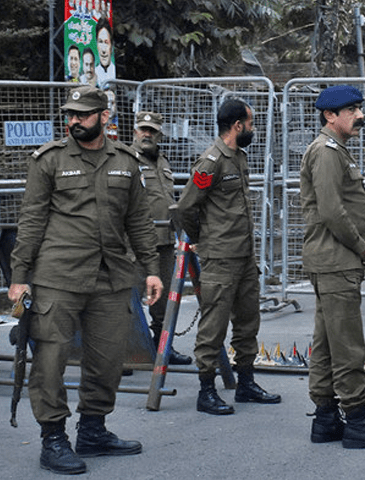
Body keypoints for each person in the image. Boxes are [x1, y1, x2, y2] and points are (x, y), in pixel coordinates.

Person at [8, 85, 163, 474]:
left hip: (110, 276)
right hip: (57, 276)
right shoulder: (49, 160)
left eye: (83, 114)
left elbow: (139, 222)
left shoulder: (126, 162)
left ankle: (93, 430)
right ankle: (53, 437)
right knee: (50, 360)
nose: (74, 120)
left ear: (105, 117)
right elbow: (31, 220)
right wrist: (19, 276)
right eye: (70, 115)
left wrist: (151, 270)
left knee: (108, 360)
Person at [301, 85, 365, 449]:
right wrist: (363, 248)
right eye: (352, 110)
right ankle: (357, 421)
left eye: (359, 108)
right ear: (331, 115)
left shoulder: (335, 151)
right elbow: (331, 211)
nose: (360, 116)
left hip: (332, 260)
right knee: (347, 347)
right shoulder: (327, 153)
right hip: (336, 260)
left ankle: (327, 420)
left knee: (327, 343)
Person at [177, 99, 281, 415]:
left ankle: (246, 383)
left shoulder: (239, 157)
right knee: (214, 325)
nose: (253, 128)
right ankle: (206, 390)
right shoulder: (211, 161)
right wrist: (200, 239)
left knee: (248, 321)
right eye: (250, 123)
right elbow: (185, 207)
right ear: (237, 125)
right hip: (220, 257)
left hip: (244, 255)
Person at [130, 111, 192, 365]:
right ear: (135, 131)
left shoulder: (161, 160)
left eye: (152, 131)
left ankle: (162, 347)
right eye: (143, 129)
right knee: (129, 298)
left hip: (164, 240)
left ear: (159, 134)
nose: (147, 134)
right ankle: (127, 353)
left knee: (164, 300)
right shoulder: (126, 159)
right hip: (136, 241)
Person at [94, 16, 115, 88]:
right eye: (100, 42)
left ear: (111, 45)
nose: (103, 50)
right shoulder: (92, 74)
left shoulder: (115, 72)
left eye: (106, 42)